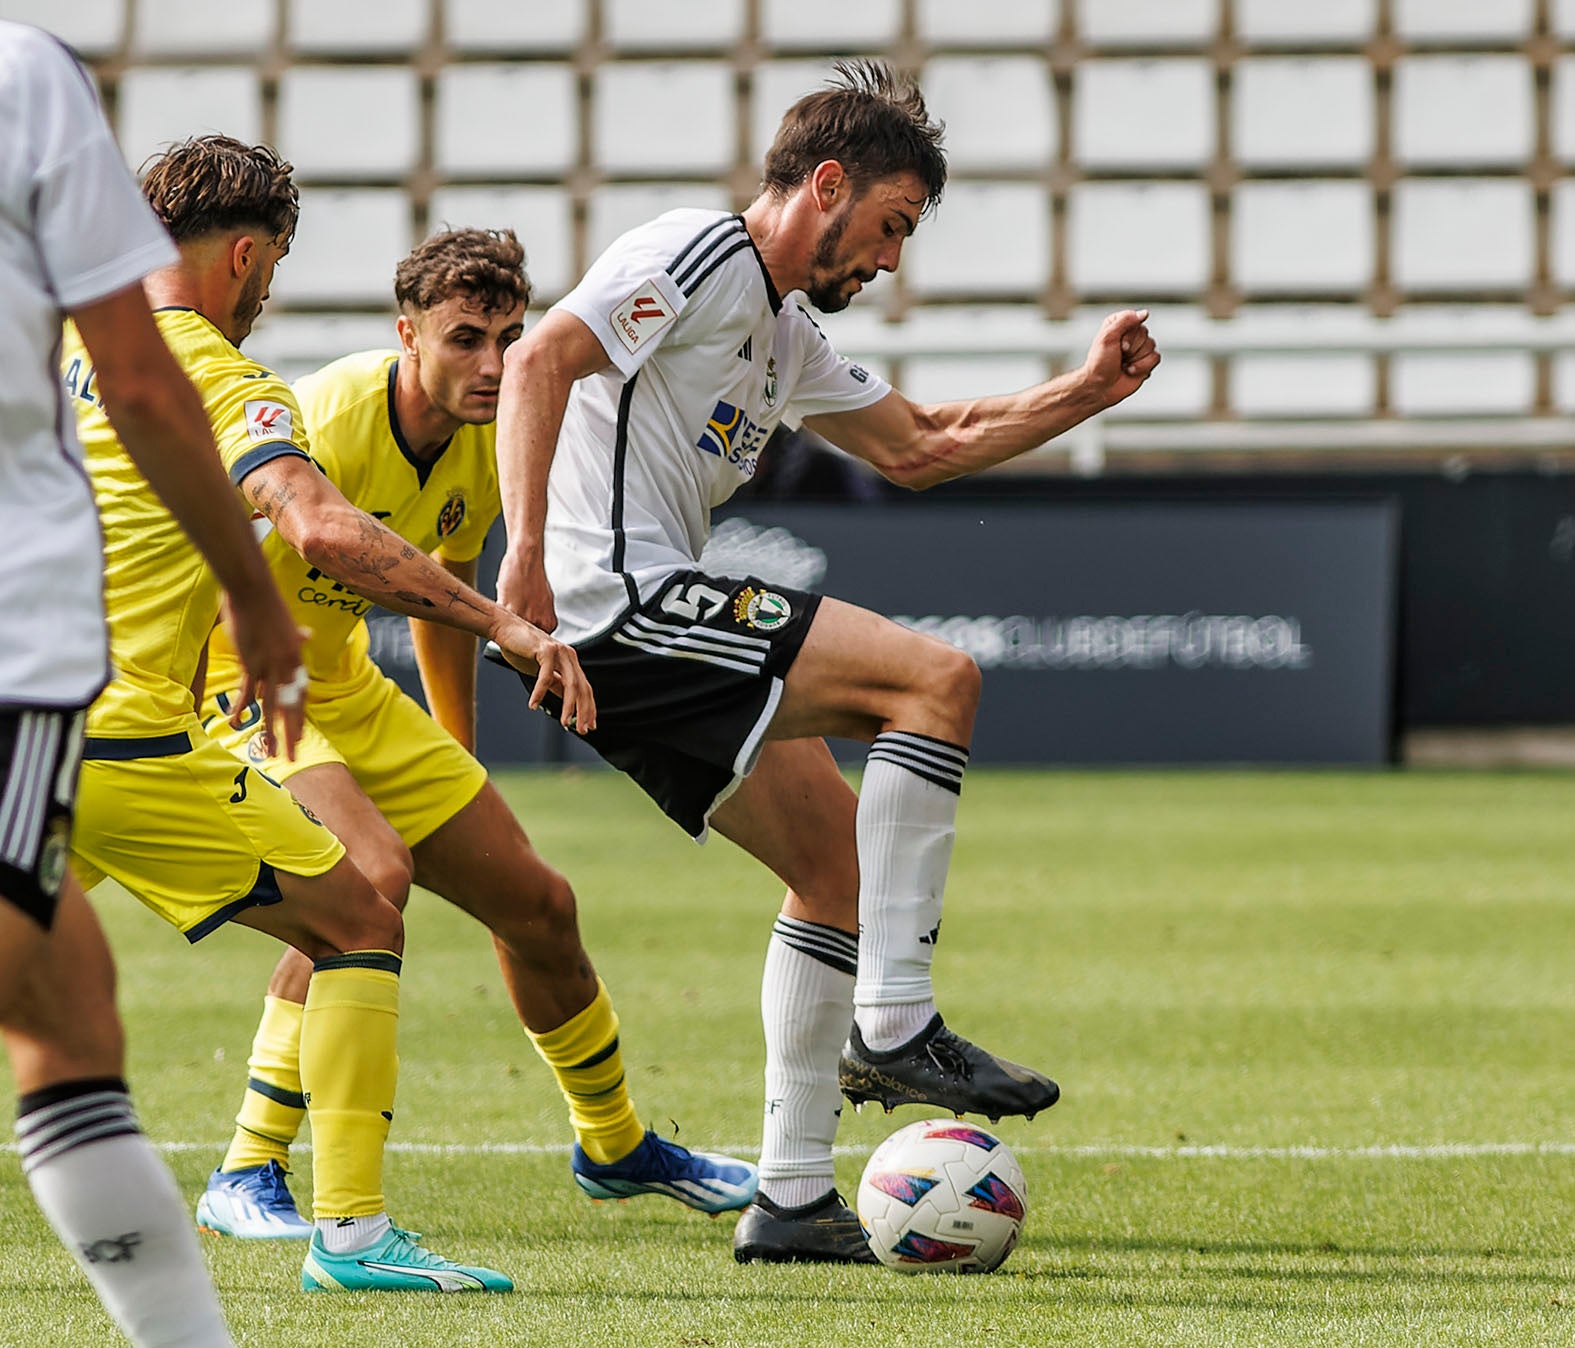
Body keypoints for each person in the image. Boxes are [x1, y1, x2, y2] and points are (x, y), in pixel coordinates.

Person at [490, 60, 1161, 1264]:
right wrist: (529, 562)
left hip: (633, 623)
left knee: (838, 867)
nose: (892, 259)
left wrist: (1086, 391)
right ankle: (897, 1023)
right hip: (617, 601)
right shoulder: (699, 254)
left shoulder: (782, 330)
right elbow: (542, 361)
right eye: (893, 225)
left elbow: (918, 447)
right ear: (830, 184)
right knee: (936, 679)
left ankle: (791, 1198)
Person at [65, 135, 592, 1294]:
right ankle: (349, 1234)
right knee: (358, 915)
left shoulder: (62, 337)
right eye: (275, 267)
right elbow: (320, 526)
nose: (268, 294)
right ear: (247, 255)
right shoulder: (223, 377)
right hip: (127, 735)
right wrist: (504, 622)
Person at [193, 226, 756, 1240]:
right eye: (464, 339)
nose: (493, 365)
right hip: (245, 672)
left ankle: (616, 1143)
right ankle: (247, 1167)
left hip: (345, 685)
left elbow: (437, 595)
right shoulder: (323, 414)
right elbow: (214, 551)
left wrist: (456, 754)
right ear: (406, 335)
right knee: (368, 875)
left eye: (507, 338)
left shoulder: (488, 446)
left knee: (538, 905)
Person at [0, 23, 310, 1346]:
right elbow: (138, 371)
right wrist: (251, 594)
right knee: (54, 1006)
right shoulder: (25, 73)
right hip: (20, 640)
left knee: (65, 996)